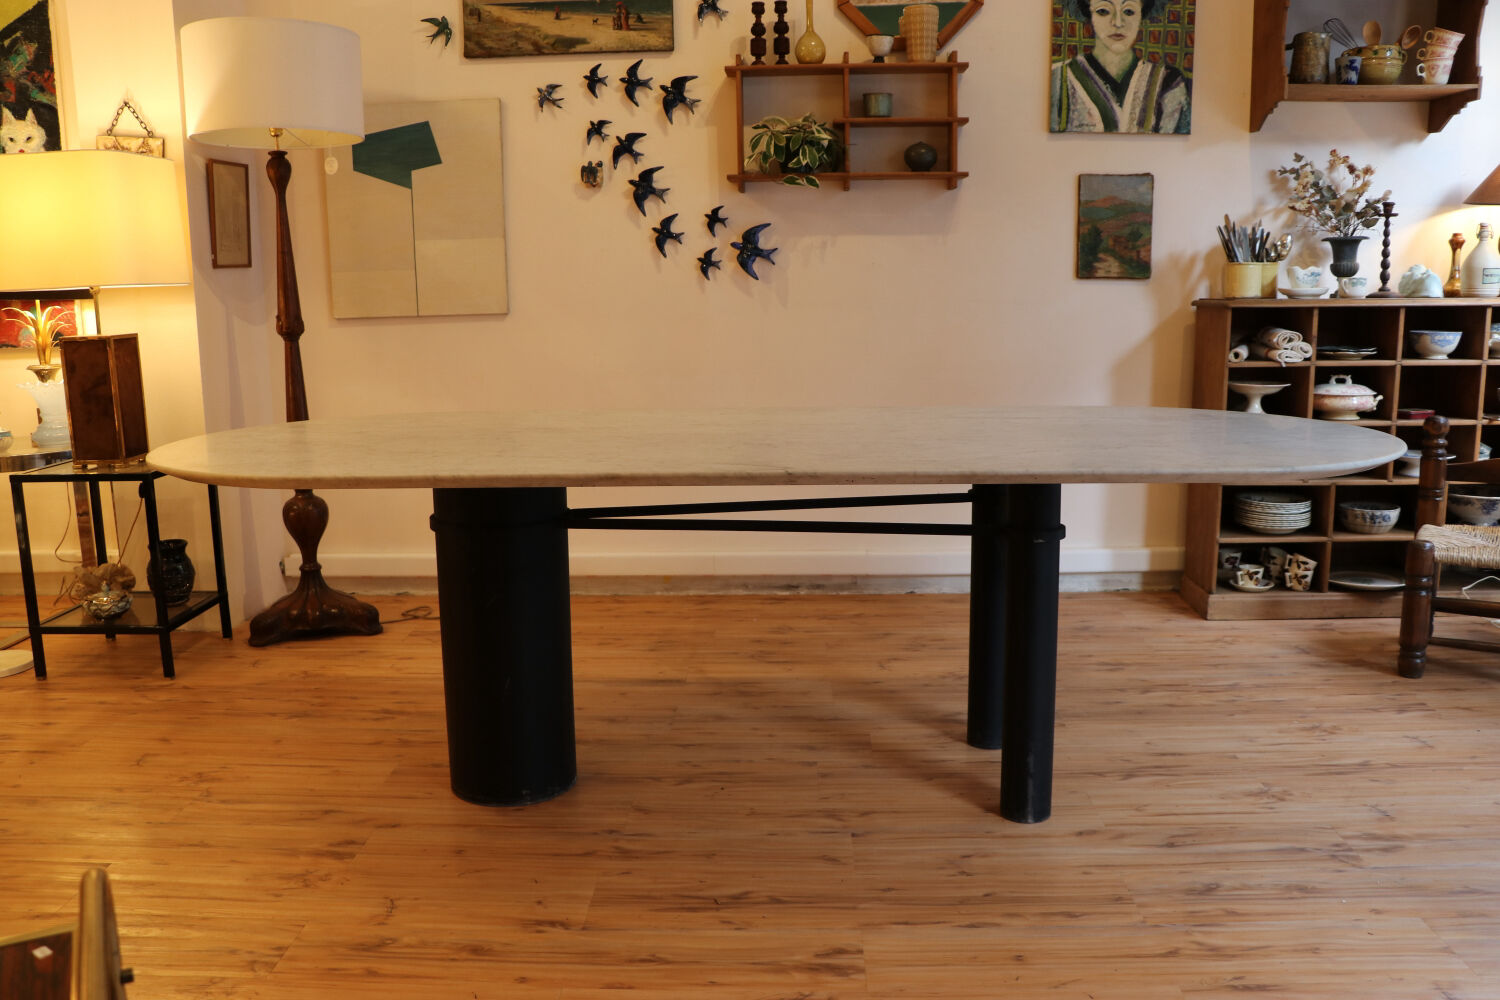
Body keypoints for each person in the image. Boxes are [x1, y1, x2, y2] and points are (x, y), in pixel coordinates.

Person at [1050, 0, 1191, 134]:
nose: (1117, 22)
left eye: (1129, 11)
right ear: (1089, 13)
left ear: (1142, 13)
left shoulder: (1169, 83)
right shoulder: (1058, 78)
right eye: (1103, 11)